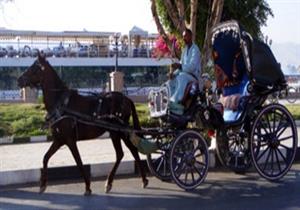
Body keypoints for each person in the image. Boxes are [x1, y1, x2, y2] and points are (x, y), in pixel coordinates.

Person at [167, 28, 201, 115]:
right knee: (172, 80)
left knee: (181, 77)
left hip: (193, 76)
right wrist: (173, 74)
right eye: (183, 36)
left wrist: (180, 66)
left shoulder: (195, 49)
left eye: (185, 36)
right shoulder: (184, 50)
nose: (184, 38)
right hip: (185, 74)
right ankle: (169, 100)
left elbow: (192, 67)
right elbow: (181, 65)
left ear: (191, 36)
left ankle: (177, 102)